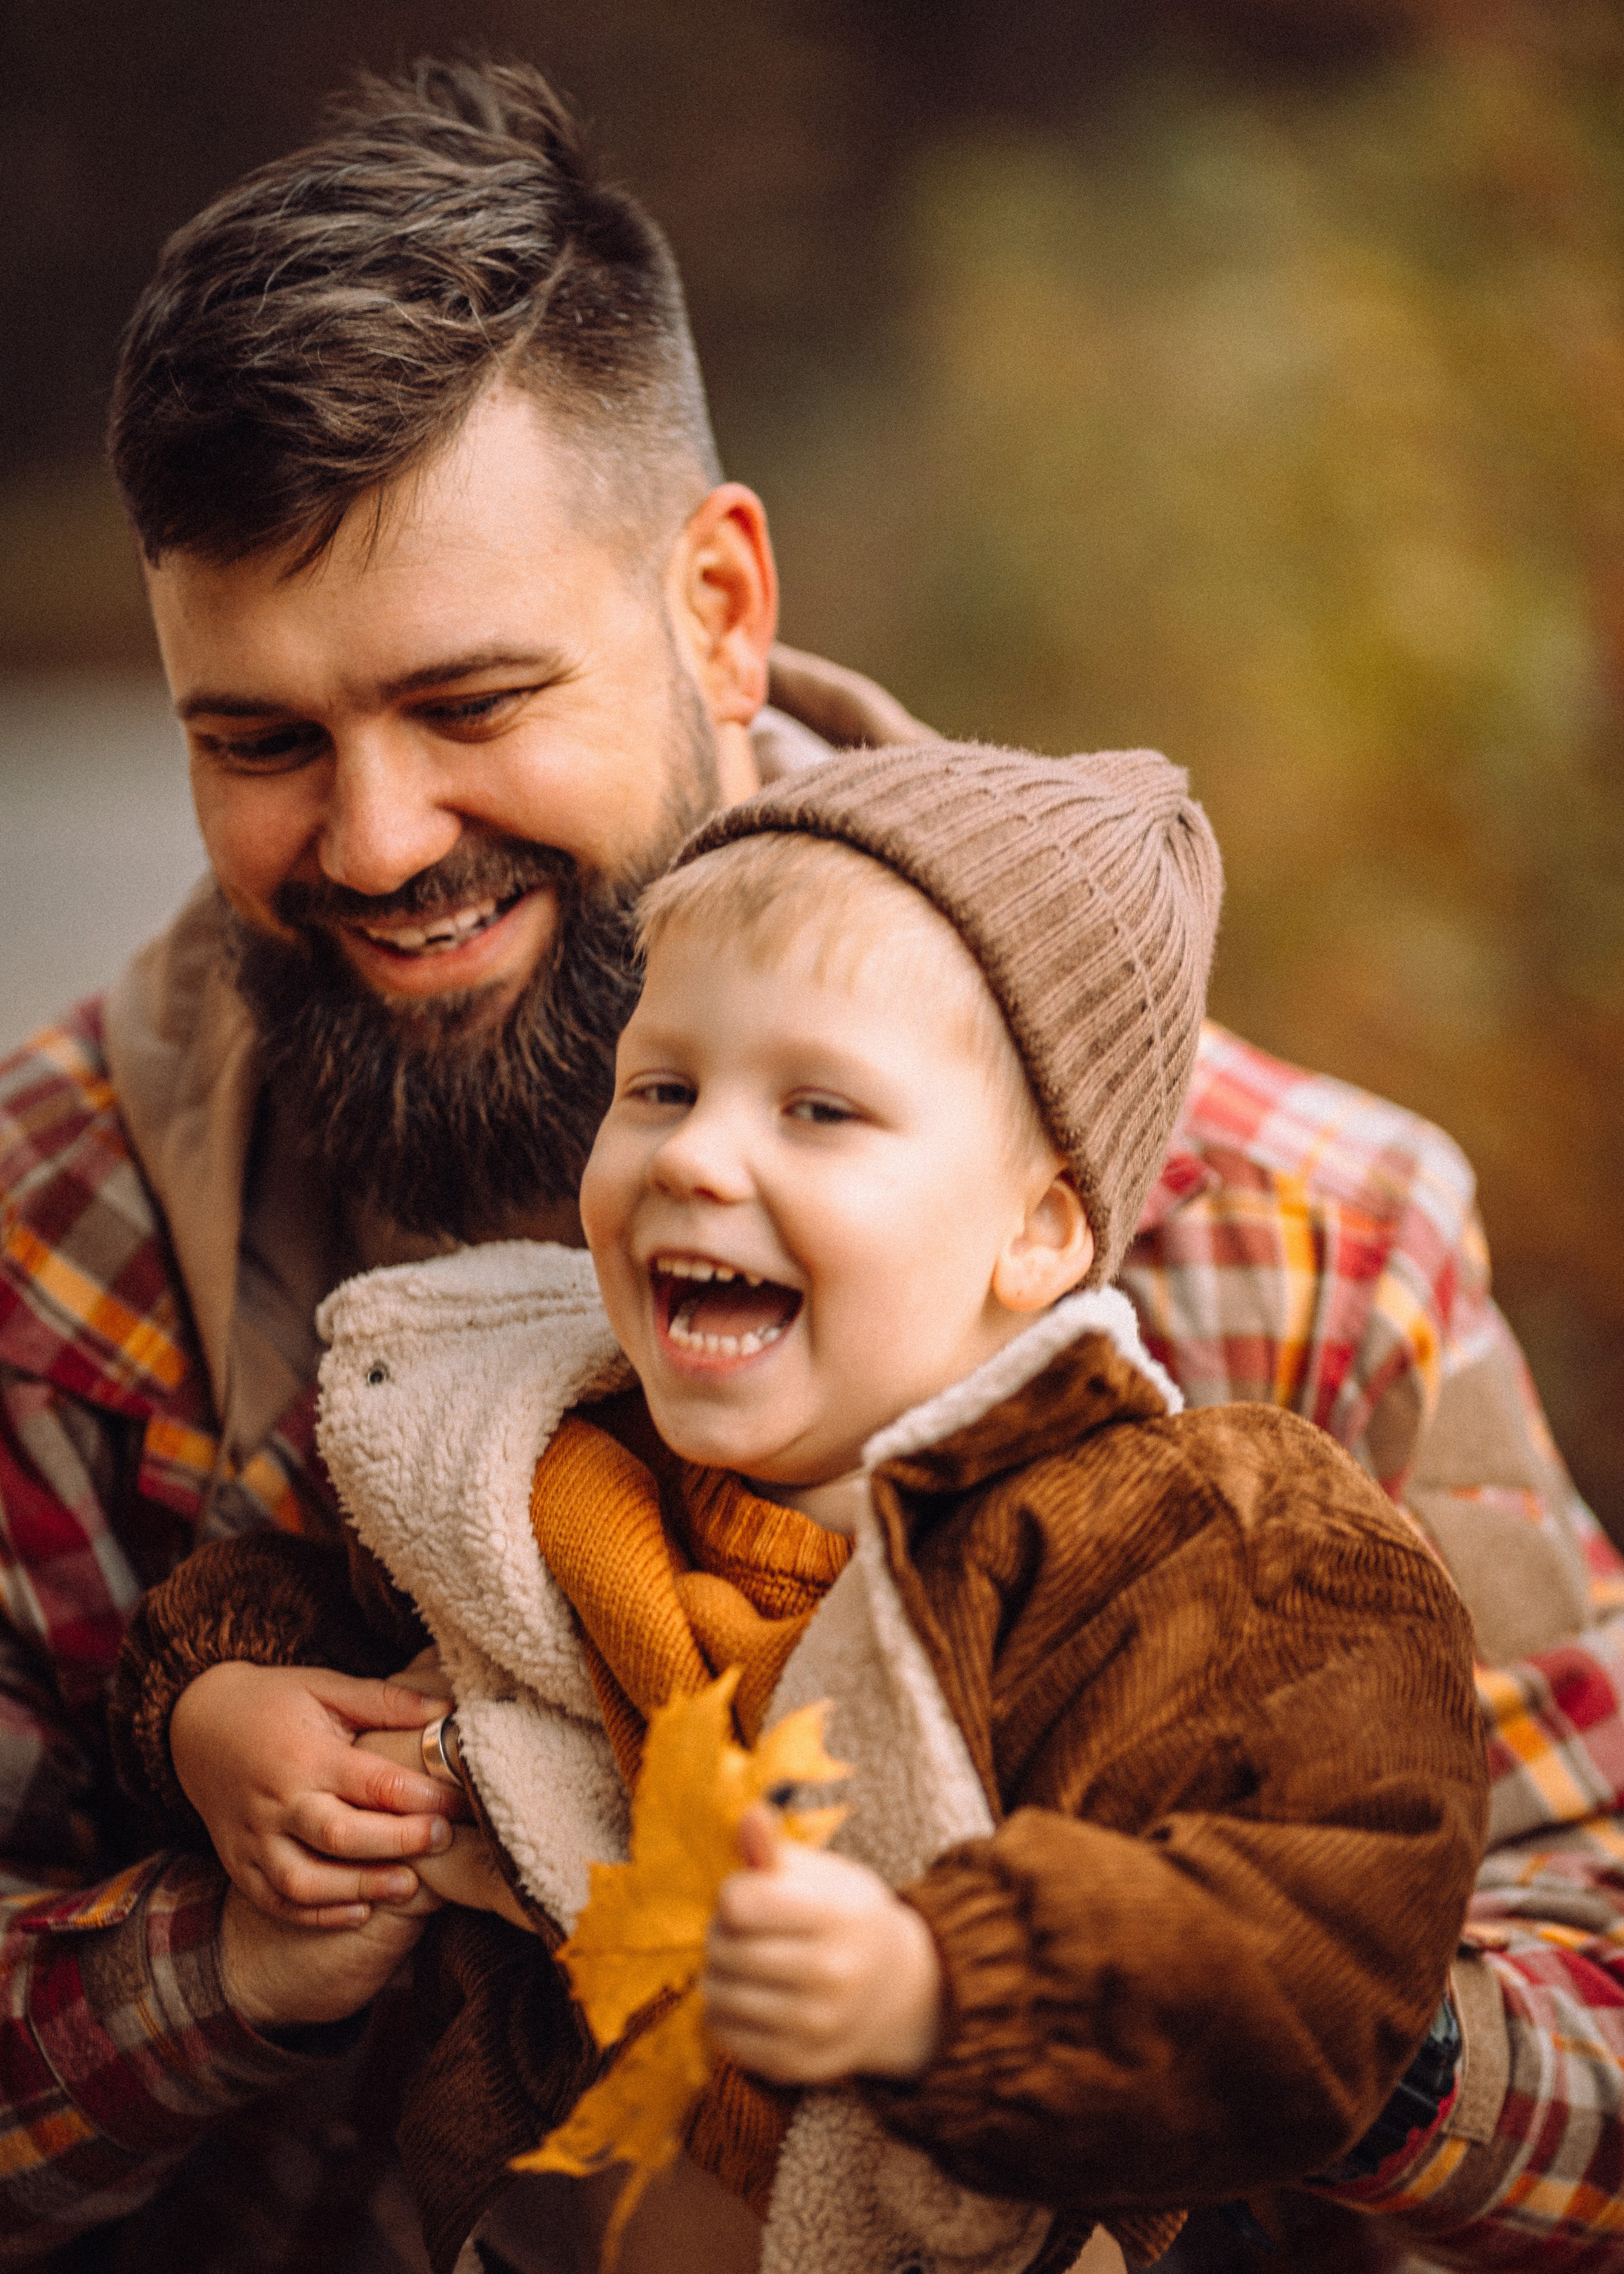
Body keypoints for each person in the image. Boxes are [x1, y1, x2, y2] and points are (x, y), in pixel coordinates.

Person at [0, 51, 1616, 2274]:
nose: (372, 842)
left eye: (471, 704)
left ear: (723, 605)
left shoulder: (1296, 1239)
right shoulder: (59, 1251)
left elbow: (1598, 2047)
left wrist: (1264, 1997)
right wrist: (225, 1952)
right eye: (261, 740)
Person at [107, 741, 1486, 2274]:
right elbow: (290, 1602)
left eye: (818, 1110)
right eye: (662, 1088)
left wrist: (936, 1989)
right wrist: (214, 1717)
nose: (697, 1154)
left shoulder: (1192, 1551)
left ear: (1035, 1232)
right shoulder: (539, 1458)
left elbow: (1326, 1939)